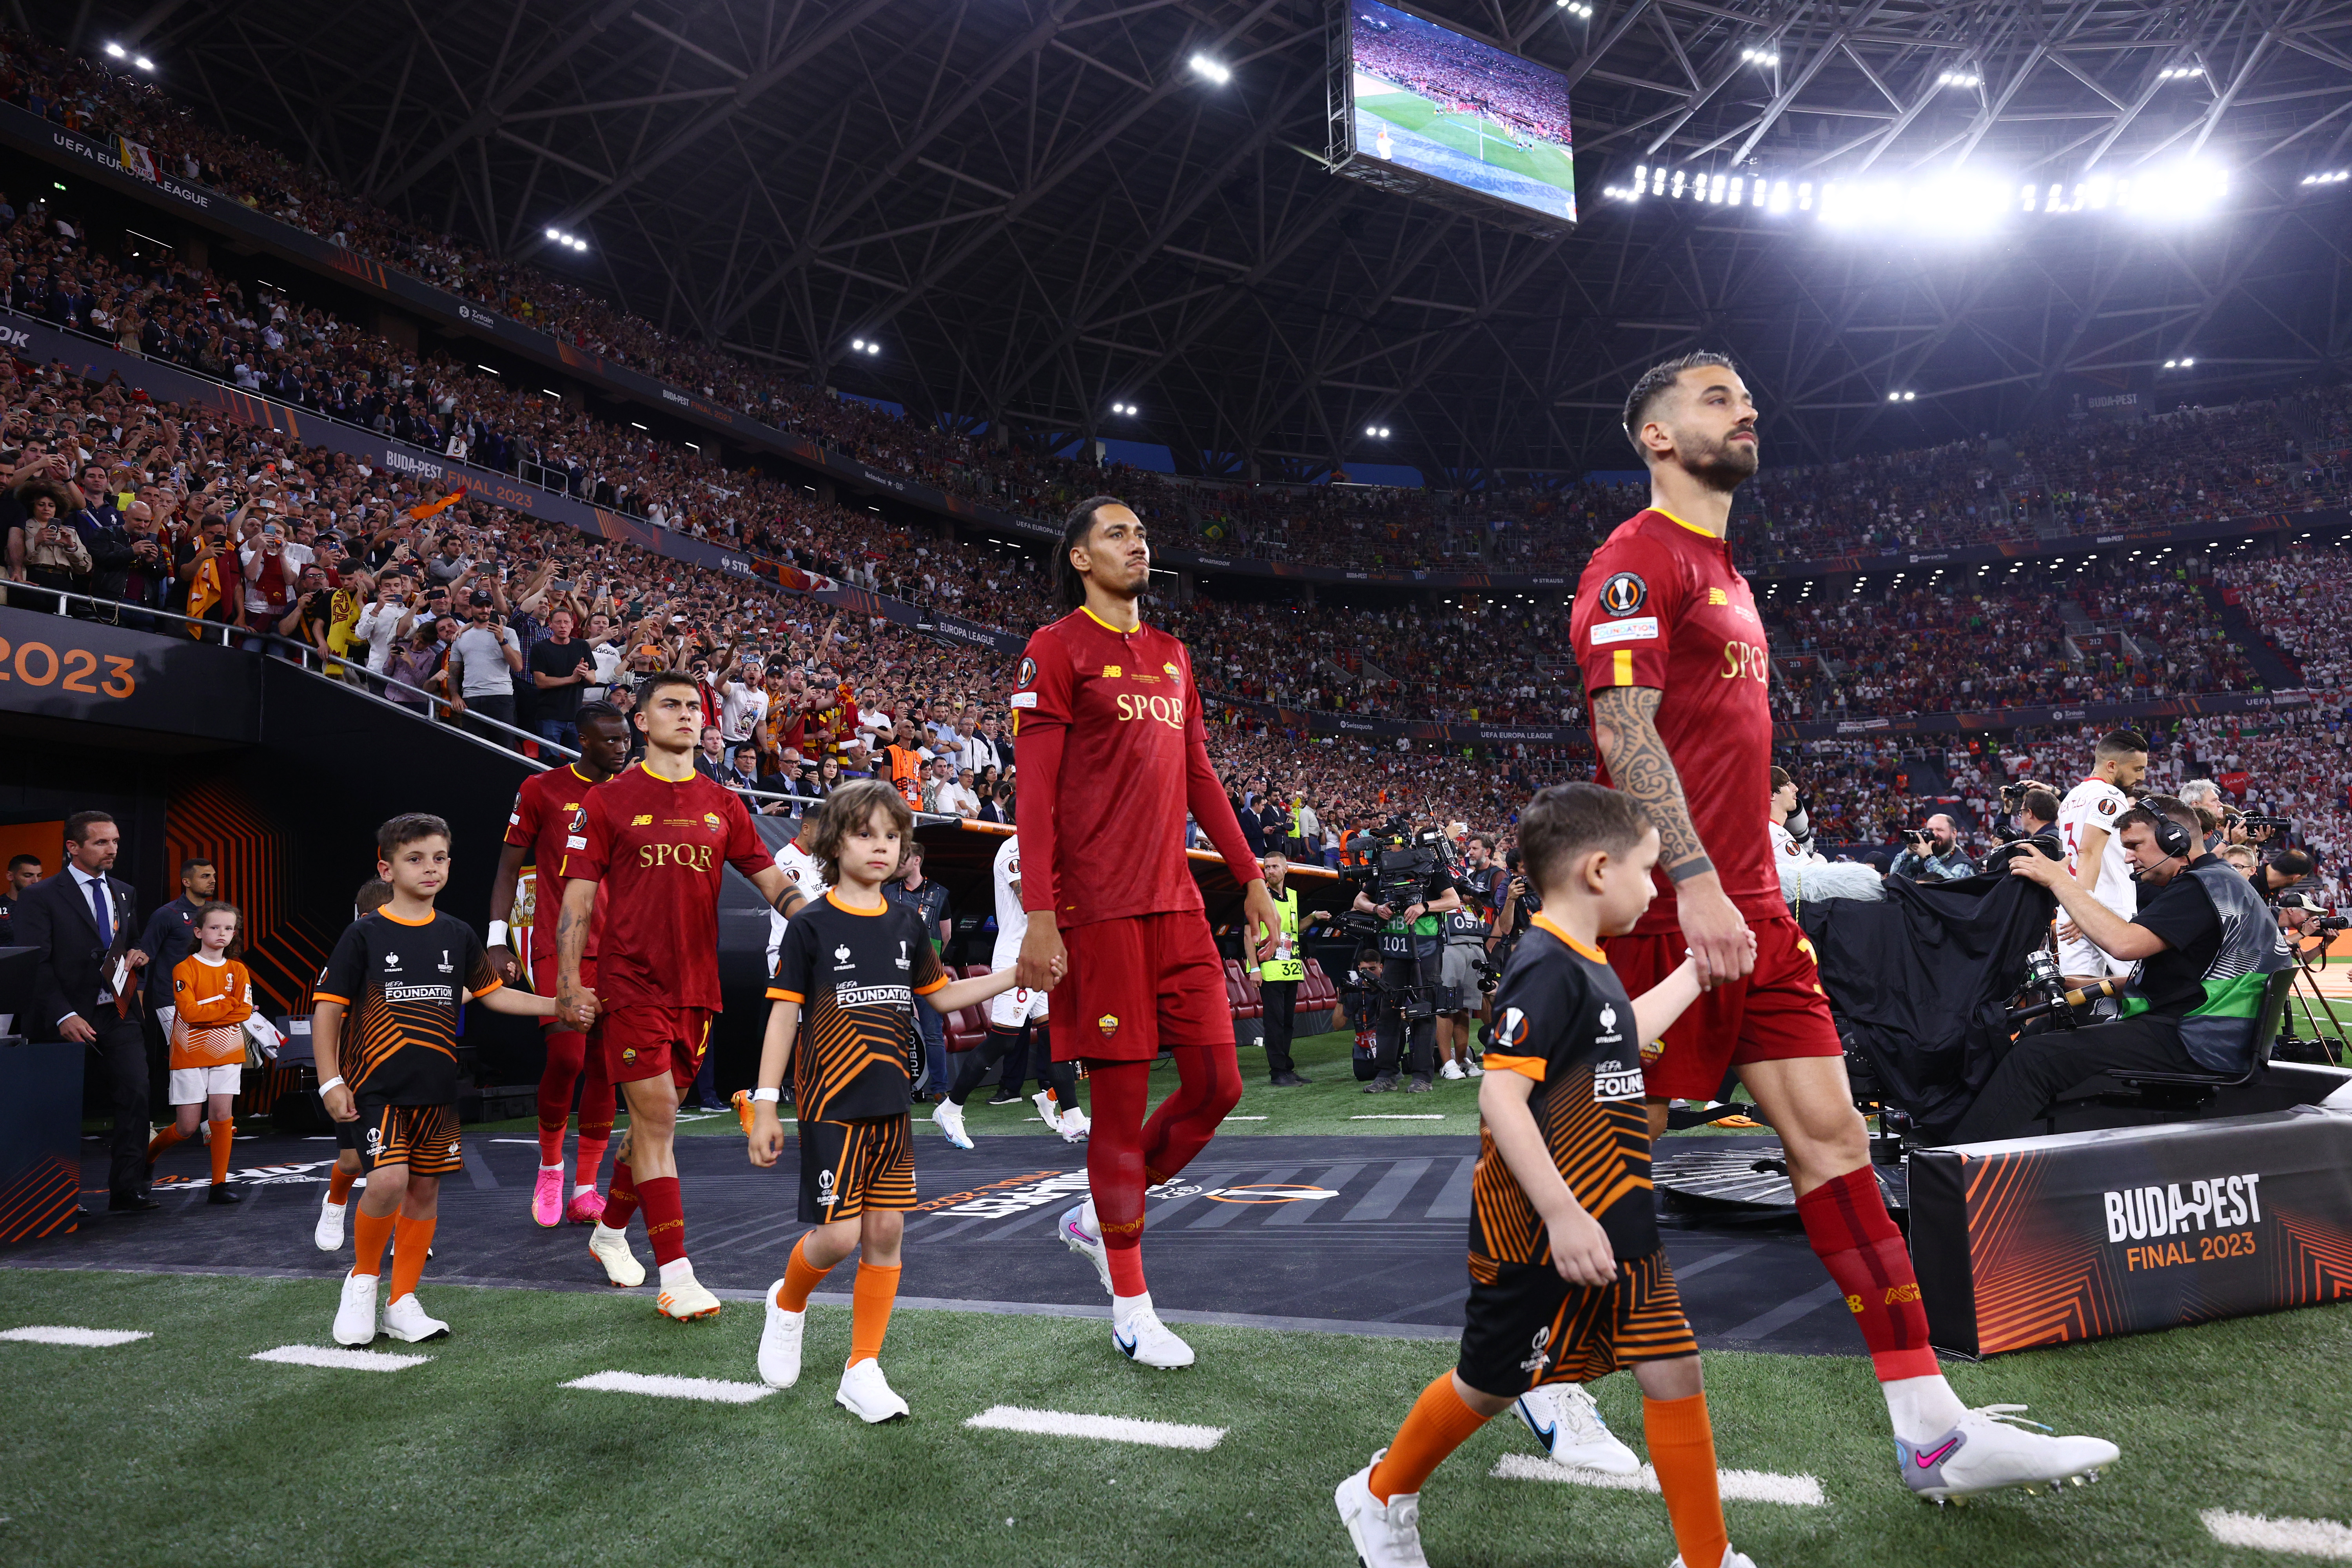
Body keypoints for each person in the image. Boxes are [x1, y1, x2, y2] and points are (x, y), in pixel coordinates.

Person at [1567, 351, 2115, 1498]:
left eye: (1745, 393)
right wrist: (1698, 878)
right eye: (1714, 397)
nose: (1745, 407)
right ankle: (1535, 1367)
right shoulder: (1633, 560)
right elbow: (1624, 732)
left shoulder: (1723, 570)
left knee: (1835, 1145)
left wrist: (1740, 888)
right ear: (1655, 435)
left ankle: (1930, 1429)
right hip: (1668, 912)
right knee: (1601, 1164)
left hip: (1755, 914)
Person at [1335, 783, 1749, 1568]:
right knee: (1491, 1382)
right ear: (1599, 869)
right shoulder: (1544, 965)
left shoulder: (1583, 964)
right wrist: (1561, 1213)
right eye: (1648, 870)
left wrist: (1700, 972)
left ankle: (1707, 1556)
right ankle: (1382, 1490)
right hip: (1536, 1229)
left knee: (1673, 1361)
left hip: (1615, 1212)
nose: (1655, 887)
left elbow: (1619, 1035)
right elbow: (1501, 1093)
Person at [1012, 494, 1278, 1370]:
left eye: (1141, 532)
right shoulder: (1055, 649)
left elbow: (1202, 773)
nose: (1139, 543)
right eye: (1117, 533)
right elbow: (1035, 796)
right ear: (1081, 558)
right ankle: (1131, 1302)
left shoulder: (1172, 655)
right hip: (1099, 915)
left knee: (1218, 1085)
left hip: (1178, 908)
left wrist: (1248, 877)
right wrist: (1045, 918)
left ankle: (1096, 1215)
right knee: (1119, 1115)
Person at [744, 782, 1031, 1419]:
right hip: (830, 1103)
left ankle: (862, 1367)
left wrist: (1015, 975)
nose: (881, 846)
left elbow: (941, 995)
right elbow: (784, 1020)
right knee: (840, 1238)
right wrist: (767, 1103)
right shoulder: (810, 925)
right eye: (865, 833)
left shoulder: (908, 922)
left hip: (891, 1104)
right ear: (833, 843)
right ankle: (788, 1302)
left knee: (887, 1233)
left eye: (891, 836)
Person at [556, 670, 812, 1317]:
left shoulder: (723, 804)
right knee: (661, 1119)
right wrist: (568, 984)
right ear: (640, 721)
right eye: (671, 705)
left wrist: (825, 925)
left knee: (650, 1126)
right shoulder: (607, 802)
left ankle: (610, 1232)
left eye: (695, 707)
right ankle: (678, 1276)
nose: (687, 715)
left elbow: (769, 880)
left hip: (699, 990)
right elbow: (577, 902)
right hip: (630, 985)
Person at [314, 814, 559, 1345]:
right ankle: (362, 1284)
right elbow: (327, 1010)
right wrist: (330, 1082)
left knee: (424, 1191)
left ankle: (402, 1303)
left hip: (437, 1089)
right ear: (387, 867)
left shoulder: (458, 933)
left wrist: (557, 1004)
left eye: (440, 858)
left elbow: (493, 993)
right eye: (415, 858)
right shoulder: (364, 934)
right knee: (386, 1181)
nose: (431, 868)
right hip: (374, 1087)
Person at [1958, 796, 2290, 1143]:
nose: (2129, 856)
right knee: (2045, 1025)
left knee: (2035, 1057)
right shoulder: (2216, 881)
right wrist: (2086, 985)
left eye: (2135, 845)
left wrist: (2060, 881)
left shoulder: (2200, 887)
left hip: (2197, 1042)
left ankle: (1950, 1167)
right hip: (2210, 1034)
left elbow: (2124, 944)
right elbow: (2182, 980)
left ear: (2174, 838)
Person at [487, 704, 632, 1228]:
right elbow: (507, 869)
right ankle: (551, 1168)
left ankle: (586, 1189)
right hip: (560, 946)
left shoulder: (634, 792)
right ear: (584, 741)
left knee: (604, 1067)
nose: (622, 748)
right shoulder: (541, 789)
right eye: (611, 741)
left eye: (626, 740)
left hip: (619, 953)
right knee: (568, 1058)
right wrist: (497, 940)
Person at [16, 812, 154, 1213]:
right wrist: (63, 1015)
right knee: (57, 1106)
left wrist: (138, 955)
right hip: (63, 1016)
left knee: (136, 1093)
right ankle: (52, 1197)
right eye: (101, 843)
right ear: (73, 847)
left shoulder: (124, 891)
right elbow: (36, 963)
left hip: (118, 1010)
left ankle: (127, 1190)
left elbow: (131, 940)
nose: (112, 849)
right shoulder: (40, 896)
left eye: (114, 841)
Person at [932, 832, 1086, 1147]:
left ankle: (1072, 1119)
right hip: (1019, 957)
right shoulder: (1015, 848)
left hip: (1045, 954)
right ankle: (950, 1109)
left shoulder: (1050, 844)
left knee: (1055, 1039)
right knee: (1003, 1042)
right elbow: (1030, 901)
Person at [143, 902, 254, 1205]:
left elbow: (244, 1012)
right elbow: (190, 1015)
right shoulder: (185, 968)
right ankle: (148, 1157)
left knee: (221, 1117)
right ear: (198, 931)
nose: (223, 933)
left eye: (229, 928)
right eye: (215, 927)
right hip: (190, 1052)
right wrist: (226, 1004)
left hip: (228, 1051)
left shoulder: (238, 969)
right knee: (187, 1127)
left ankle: (219, 1184)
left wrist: (219, 1009)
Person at [315, 877, 394, 1252]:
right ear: (363, 918)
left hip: (404, 1073)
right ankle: (336, 1202)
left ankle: (403, 1232)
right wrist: (332, 1081)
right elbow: (328, 1021)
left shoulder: (424, 947)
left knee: (402, 1165)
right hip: (356, 1072)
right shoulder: (349, 958)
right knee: (352, 1163)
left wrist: (483, 986)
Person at [2054, 730, 2149, 985]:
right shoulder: (2110, 796)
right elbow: (2090, 851)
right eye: (2137, 769)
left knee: (2078, 995)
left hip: (2071, 906)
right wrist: (2085, 906)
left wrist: (2075, 906)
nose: (2141, 777)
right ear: (2112, 766)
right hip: (2107, 907)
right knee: (2138, 988)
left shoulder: (2070, 798)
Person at [886, 841, 953, 1100]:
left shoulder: (939, 893)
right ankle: (899, 1089)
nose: (899, 861)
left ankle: (939, 1089)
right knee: (895, 1033)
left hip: (927, 974)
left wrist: (930, 958)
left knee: (933, 1033)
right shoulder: (889, 891)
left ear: (917, 860)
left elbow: (946, 934)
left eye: (905, 857)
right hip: (896, 973)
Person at [1257, 852, 1330, 1087]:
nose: (1270, 871)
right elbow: (1251, 934)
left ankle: (1286, 1068)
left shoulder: (1292, 896)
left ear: (1286, 869)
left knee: (1288, 1022)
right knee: (1275, 1022)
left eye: (1275, 867)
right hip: (1270, 968)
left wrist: (1313, 917)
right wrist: (1253, 969)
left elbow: (1294, 930)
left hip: (1290, 967)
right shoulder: (1259, 896)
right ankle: (1278, 1071)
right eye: (1267, 867)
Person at [1436, 837, 1495, 1079]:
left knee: (1465, 1007)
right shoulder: (1433, 875)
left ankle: (1462, 1059)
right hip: (1449, 945)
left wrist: (1475, 901)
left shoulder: (1464, 876)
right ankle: (1447, 1062)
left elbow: (1482, 908)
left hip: (1473, 944)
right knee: (1446, 1006)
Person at [447, 589, 523, 739]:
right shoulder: (461, 637)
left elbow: (518, 666)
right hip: (471, 699)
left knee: (505, 750)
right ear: (471, 608)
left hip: (501, 696)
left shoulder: (508, 633)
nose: (485, 610)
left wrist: (502, 640)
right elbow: (452, 674)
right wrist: (455, 696)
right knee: (475, 750)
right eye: (480, 606)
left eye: (488, 606)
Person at [528, 607, 596, 750]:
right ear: (550, 624)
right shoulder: (540, 648)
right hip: (549, 717)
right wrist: (571, 679)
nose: (563, 626)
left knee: (577, 762)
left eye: (566, 622)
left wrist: (583, 673)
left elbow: (593, 679)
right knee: (549, 762)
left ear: (573, 624)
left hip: (576, 717)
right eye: (558, 622)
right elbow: (540, 682)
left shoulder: (582, 645)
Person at [1890, 813, 1974, 881]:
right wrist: (1909, 851)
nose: (1934, 834)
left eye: (1940, 830)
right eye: (1930, 830)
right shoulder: (1920, 859)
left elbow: (1953, 889)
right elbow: (1894, 877)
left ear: (1954, 834)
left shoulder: (1963, 864)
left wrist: (1929, 858)